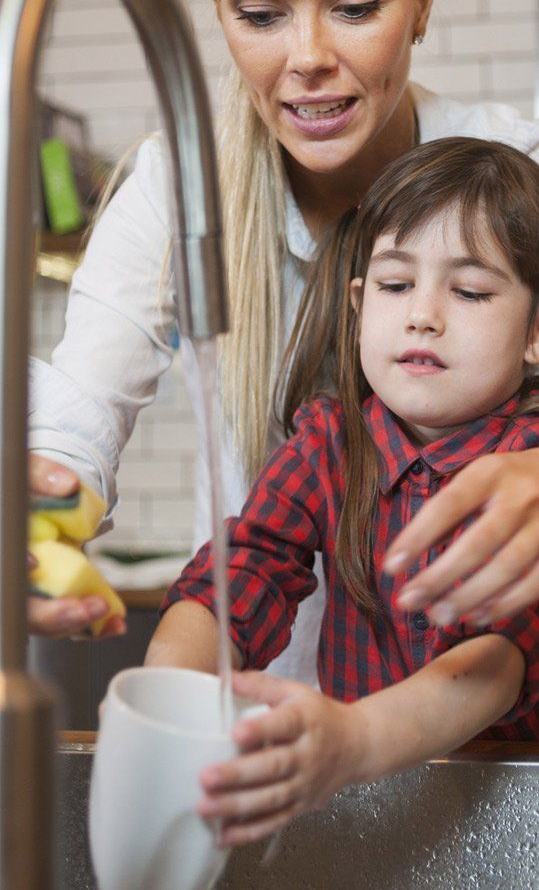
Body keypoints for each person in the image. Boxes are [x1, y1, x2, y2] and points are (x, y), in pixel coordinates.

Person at [29, 0, 539, 649]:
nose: (307, 57)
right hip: (266, 716)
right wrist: (44, 496)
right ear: (221, 9)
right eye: (260, 14)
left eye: (355, 7)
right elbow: (82, 404)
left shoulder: (517, 171)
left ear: (423, 0)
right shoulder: (178, 186)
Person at [146, 136, 539, 846]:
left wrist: (354, 737)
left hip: (511, 811)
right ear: (359, 305)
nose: (422, 313)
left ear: (535, 330)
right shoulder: (328, 442)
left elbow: (496, 664)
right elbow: (241, 573)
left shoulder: (527, 473)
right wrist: (163, 701)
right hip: (369, 808)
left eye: (470, 290)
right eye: (394, 285)